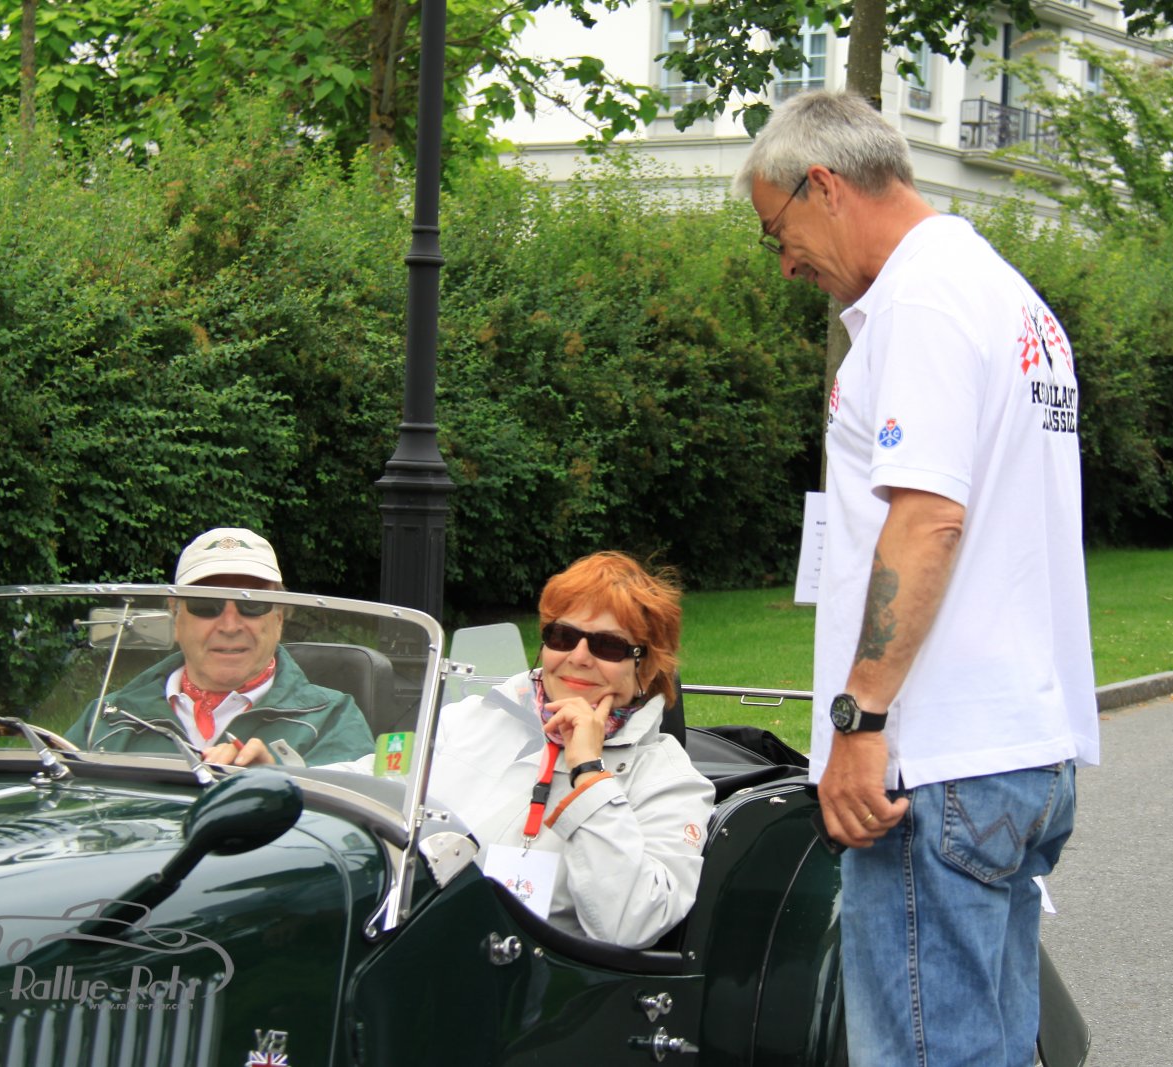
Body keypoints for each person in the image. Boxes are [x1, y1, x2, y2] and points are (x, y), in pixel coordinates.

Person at [735, 91, 1101, 1067]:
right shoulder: (1007, 296)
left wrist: (858, 720)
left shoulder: (920, 302)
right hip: (1021, 747)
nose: (785, 263)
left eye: (777, 231)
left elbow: (928, 517)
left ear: (823, 185)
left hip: (935, 761)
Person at [423, 552, 714, 948]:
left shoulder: (670, 781)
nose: (578, 657)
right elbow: (377, 783)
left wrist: (589, 773)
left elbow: (632, 924)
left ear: (645, 669)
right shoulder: (471, 716)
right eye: (562, 636)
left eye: (608, 646)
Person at [66, 526, 374, 766]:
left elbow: (353, 817)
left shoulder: (332, 719)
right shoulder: (111, 717)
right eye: (206, 604)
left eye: (252, 604)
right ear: (176, 616)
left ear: (278, 617)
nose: (229, 625)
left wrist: (278, 783)